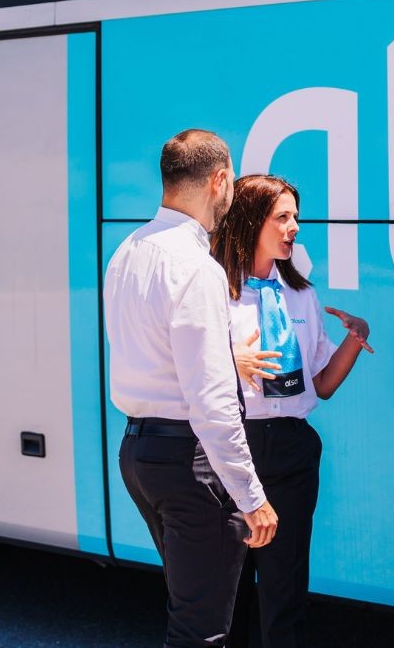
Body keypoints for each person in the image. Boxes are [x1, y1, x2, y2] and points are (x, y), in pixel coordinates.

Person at [105, 129, 279, 647]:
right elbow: (212, 400)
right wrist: (252, 497)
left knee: (191, 609)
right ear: (220, 180)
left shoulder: (128, 251)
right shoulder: (195, 268)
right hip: (189, 463)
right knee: (201, 630)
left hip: (139, 454)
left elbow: (152, 353)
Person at [212, 174, 373, 648]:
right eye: (282, 217)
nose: (294, 227)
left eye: (295, 217)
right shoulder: (215, 291)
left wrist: (353, 339)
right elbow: (183, 368)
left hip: (291, 448)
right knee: (228, 590)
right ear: (248, 221)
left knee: (286, 589)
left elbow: (320, 386)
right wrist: (231, 360)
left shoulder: (300, 294)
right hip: (231, 444)